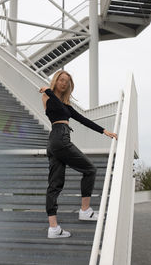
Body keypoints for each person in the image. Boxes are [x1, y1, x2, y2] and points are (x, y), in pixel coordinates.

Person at [39, 70, 117, 239]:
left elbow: (83, 120)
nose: (64, 83)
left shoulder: (65, 105)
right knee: (90, 170)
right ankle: (85, 211)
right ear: (56, 81)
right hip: (59, 137)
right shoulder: (47, 97)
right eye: (61, 79)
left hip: (56, 141)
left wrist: (104, 131)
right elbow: (57, 107)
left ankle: (53, 228)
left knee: (55, 184)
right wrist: (49, 91)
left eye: (67, 81)